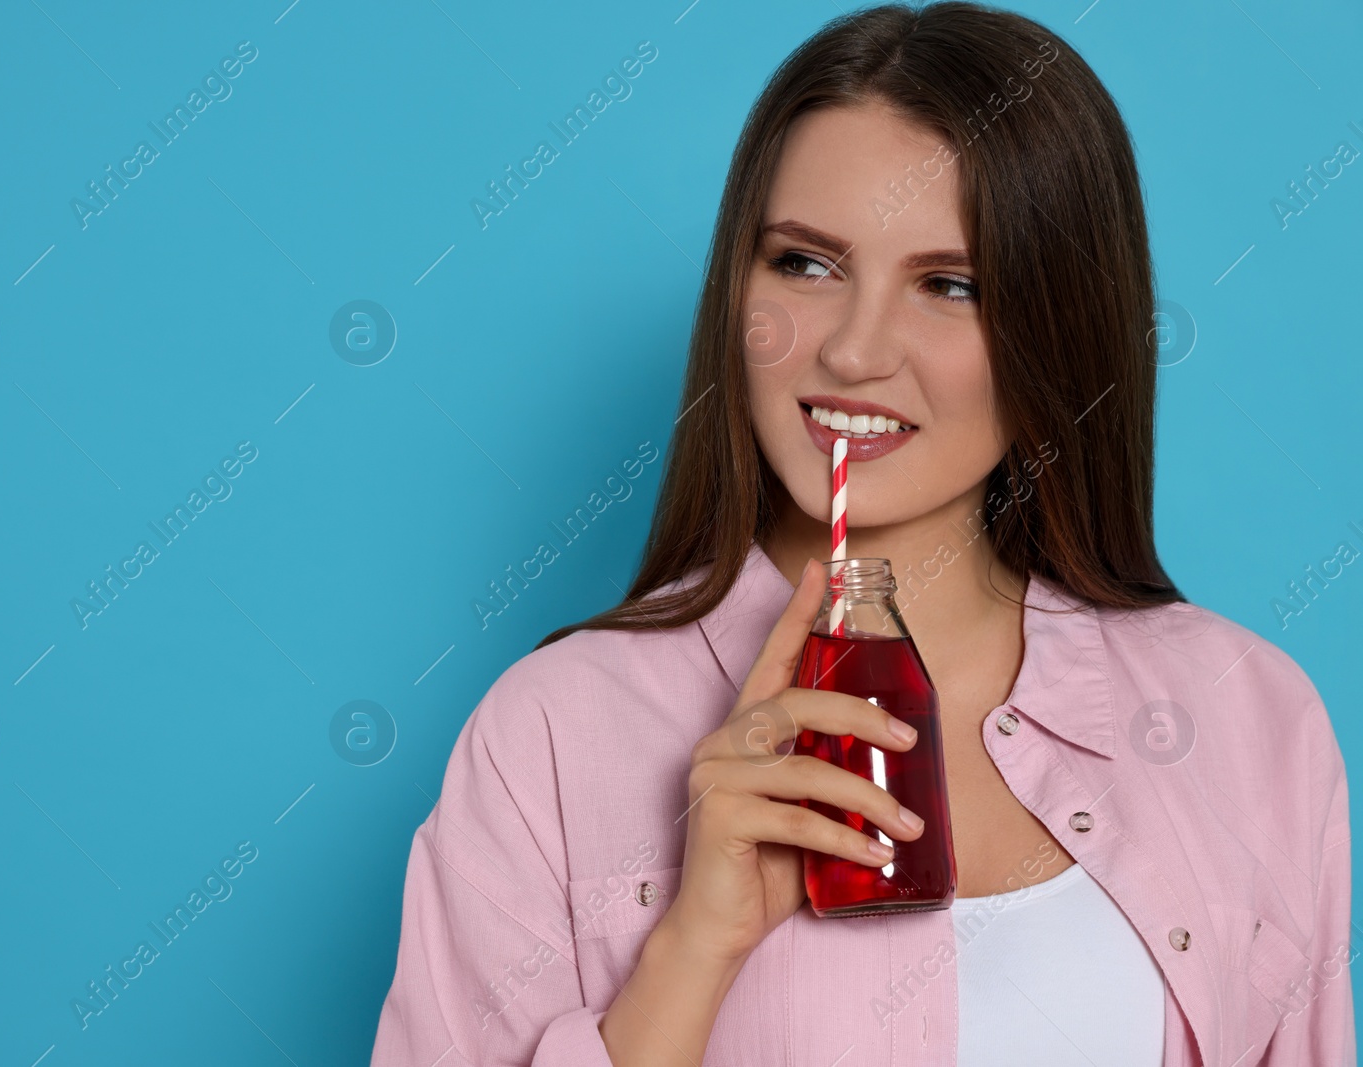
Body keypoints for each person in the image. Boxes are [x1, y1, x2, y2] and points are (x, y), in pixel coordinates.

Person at [368, 3, 1355, 1064]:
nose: (851, 350)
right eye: (805, 264)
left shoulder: (1246, 717)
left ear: (1061, 332)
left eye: (950, 284)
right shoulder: (551, 736)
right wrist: (693, 947)